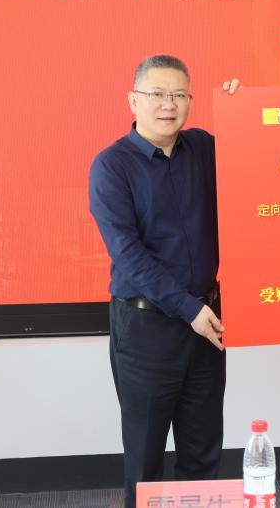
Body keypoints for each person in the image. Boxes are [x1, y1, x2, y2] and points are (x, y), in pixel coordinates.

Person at [89, 54, 239, 508]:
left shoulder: (205, 149)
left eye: (178, 95)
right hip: (147, 330)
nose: (167, 104)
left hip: (206, 323)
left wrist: (241, 109)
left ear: (190, 101)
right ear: (133, 101)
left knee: (203, 450)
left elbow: (258, 154)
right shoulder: (112, 166)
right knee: (145, 458)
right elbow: (128, 255)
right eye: (156, 94)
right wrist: (189, 309)